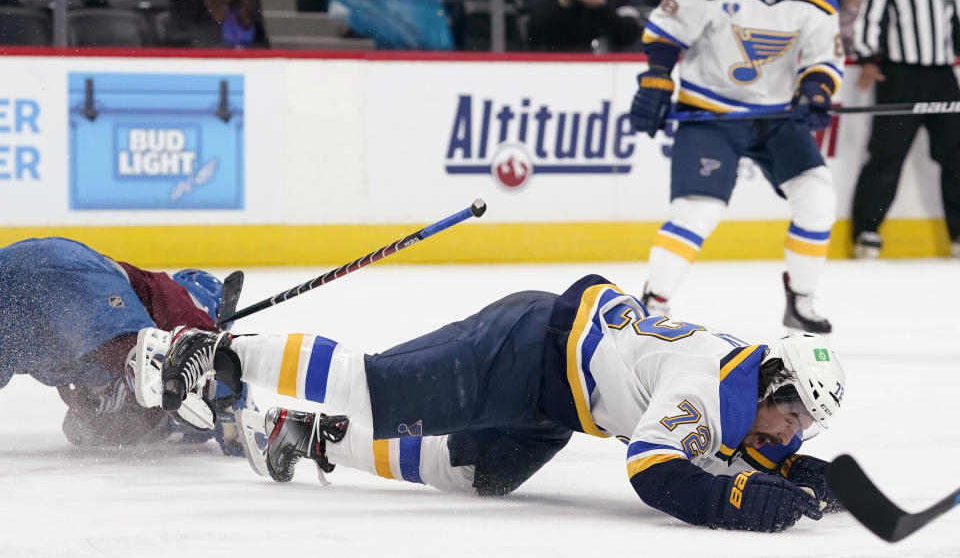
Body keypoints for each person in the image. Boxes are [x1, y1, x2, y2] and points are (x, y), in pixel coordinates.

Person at [135, 274, 847, 532]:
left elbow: (725, 449)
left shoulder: (741, 382)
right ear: (772, 390)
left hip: (557, 401)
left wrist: (786, 477)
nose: (792, 436)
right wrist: (736, 503)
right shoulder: (702, 386)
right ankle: (213, 349)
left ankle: (304, 435)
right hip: (525, 346)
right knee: (372, 386)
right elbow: (657, 470)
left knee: (477, 476)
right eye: (794, 421)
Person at [628, 0, 844, 333]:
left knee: (817, 194)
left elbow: (822, 60)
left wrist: (815, 92)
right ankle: (653, 302)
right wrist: (658, 76)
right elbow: (665, 30)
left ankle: (801, 300)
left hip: (776, 116)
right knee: (698, 208)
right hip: (710, 112)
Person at [0, 237, 250, 452]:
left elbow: (81, 429)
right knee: (141, 357)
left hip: (19, 286)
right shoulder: (177, 298)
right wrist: (237, 418)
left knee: (143, 372)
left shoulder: (84, 349)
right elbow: (218, 366)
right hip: (63, 266)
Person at [850, 0, 960, 259]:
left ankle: (959, 232)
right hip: (900, 77)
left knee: (957, 155)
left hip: (942, 76)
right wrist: (869, 58)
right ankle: (866, 229)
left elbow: (955, 23)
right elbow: (870, 20)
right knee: (887, 153)